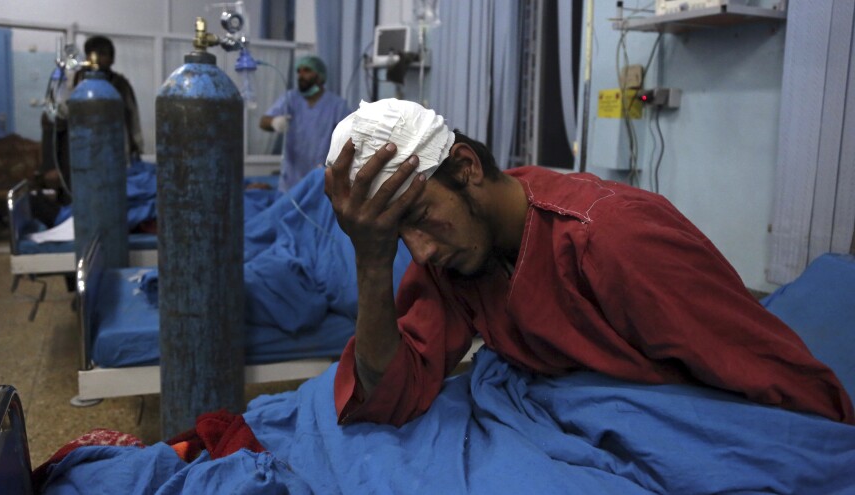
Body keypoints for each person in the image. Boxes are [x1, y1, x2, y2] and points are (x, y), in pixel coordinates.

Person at [323, 98, 855, 427]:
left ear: (465, 167)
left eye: (419, 217)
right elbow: (393, 389)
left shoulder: (615, 239)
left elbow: (769, 371)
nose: (422, 252)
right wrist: (372, 261)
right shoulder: (455, 249)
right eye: (398, 238)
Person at [38, 35, 143, 214]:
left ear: (112, 58)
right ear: (87, 56)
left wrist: (135, 153)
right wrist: (50, 166)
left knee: (109, 206)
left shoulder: (120, 85)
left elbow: (133, 123)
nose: (100, 59)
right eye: (95, 54)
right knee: (76, 205)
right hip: (74, 157)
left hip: (111, 157)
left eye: (105, 54)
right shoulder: (73, 81)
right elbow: (52, 123)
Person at [260, 55, 351, 193]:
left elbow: (350, 137)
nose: (301, 75)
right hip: (291, 180)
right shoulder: (291, 99)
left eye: (307, 70)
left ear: (320, 76)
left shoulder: (337, 105)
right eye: (299, 71)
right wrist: (274, 122)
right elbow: (263, 121)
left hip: (321, 179)